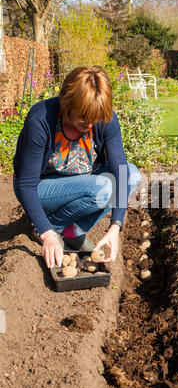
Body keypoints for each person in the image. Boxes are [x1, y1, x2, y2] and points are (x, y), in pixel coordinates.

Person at [13, 65, 141, 269]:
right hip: (41, 189)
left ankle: (73, 229)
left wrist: (115, 227)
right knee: (105, 187)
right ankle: (47, 227)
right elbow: (26, 184)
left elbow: (122, 172)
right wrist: (47, 233)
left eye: (95, 120)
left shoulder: (105, 120)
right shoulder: (41, 120)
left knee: (132, 174)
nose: (90, 126)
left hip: (82, 183)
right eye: (83, 120)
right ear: (67, 105)